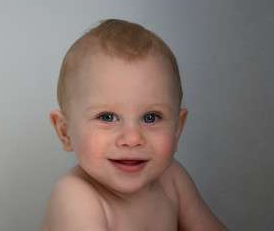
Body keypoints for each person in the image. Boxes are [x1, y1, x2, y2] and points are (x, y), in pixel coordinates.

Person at [40, 19, 228, 231]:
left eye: (151, 117)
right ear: (65, 132)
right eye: (107, 117)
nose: (132, 139)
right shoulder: (75, 197)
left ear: (177, 130)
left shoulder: (172, 178)